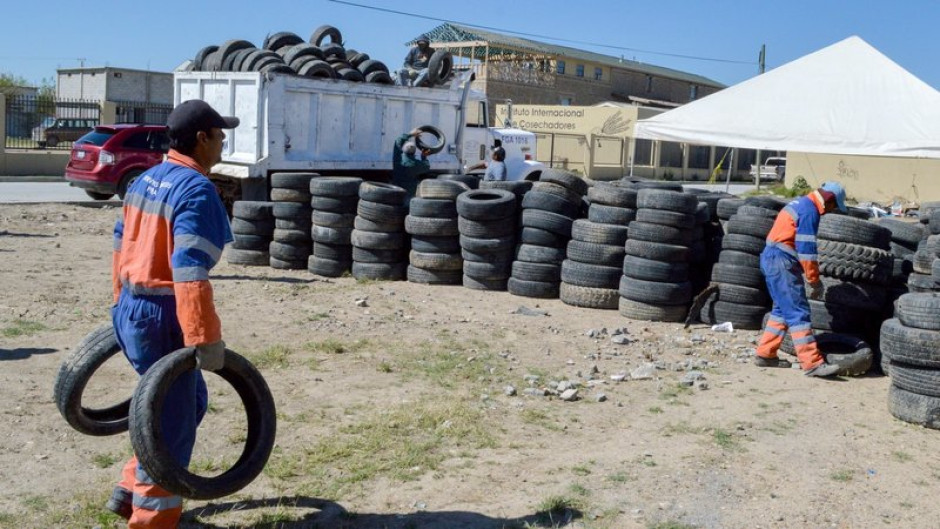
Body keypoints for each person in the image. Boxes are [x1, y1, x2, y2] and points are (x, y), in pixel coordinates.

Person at [107, 99, 238, 527]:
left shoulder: (146, 178)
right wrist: (204, 338)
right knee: (171, 426)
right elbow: (189, 271)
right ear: (201, 139)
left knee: (184, 403)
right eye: (219, 136)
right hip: (164, 314)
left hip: (133, 304)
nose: (222, 143)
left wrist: (119, 303)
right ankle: (152, 520)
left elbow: (120, 244)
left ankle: (129, 489)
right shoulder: (195, 190)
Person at [754, 181, 847, 378]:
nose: (831, 210)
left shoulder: (801, 203)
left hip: (771, 258)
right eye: (834, 206)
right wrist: (814, 280)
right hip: (781, 261)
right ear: (829, 199)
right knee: (798, 312)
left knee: (781, 310)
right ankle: (812, 364)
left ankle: (765, 354)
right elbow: (807, 251)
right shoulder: (809, 211)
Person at [391, 128, 431, 203]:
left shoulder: (398, 159)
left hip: (395, 193)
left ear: (403, 149)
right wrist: (424, 156)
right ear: (414, 151)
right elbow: (427, 166)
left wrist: (411, 134)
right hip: (409, 196)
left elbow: (398, 141)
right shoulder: (417, 164)